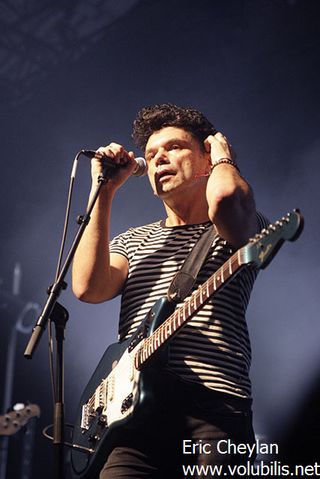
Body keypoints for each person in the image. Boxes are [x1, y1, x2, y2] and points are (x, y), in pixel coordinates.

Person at [72, 103, 268, 478]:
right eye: (150, 154)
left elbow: (226, 200)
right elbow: (87, 287)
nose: (158, 158)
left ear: (206, 154)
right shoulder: (133, 240)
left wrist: (224, 158)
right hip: (132, 417)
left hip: (215, 408)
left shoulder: (237, 222)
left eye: (174, 147)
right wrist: (104, 190)